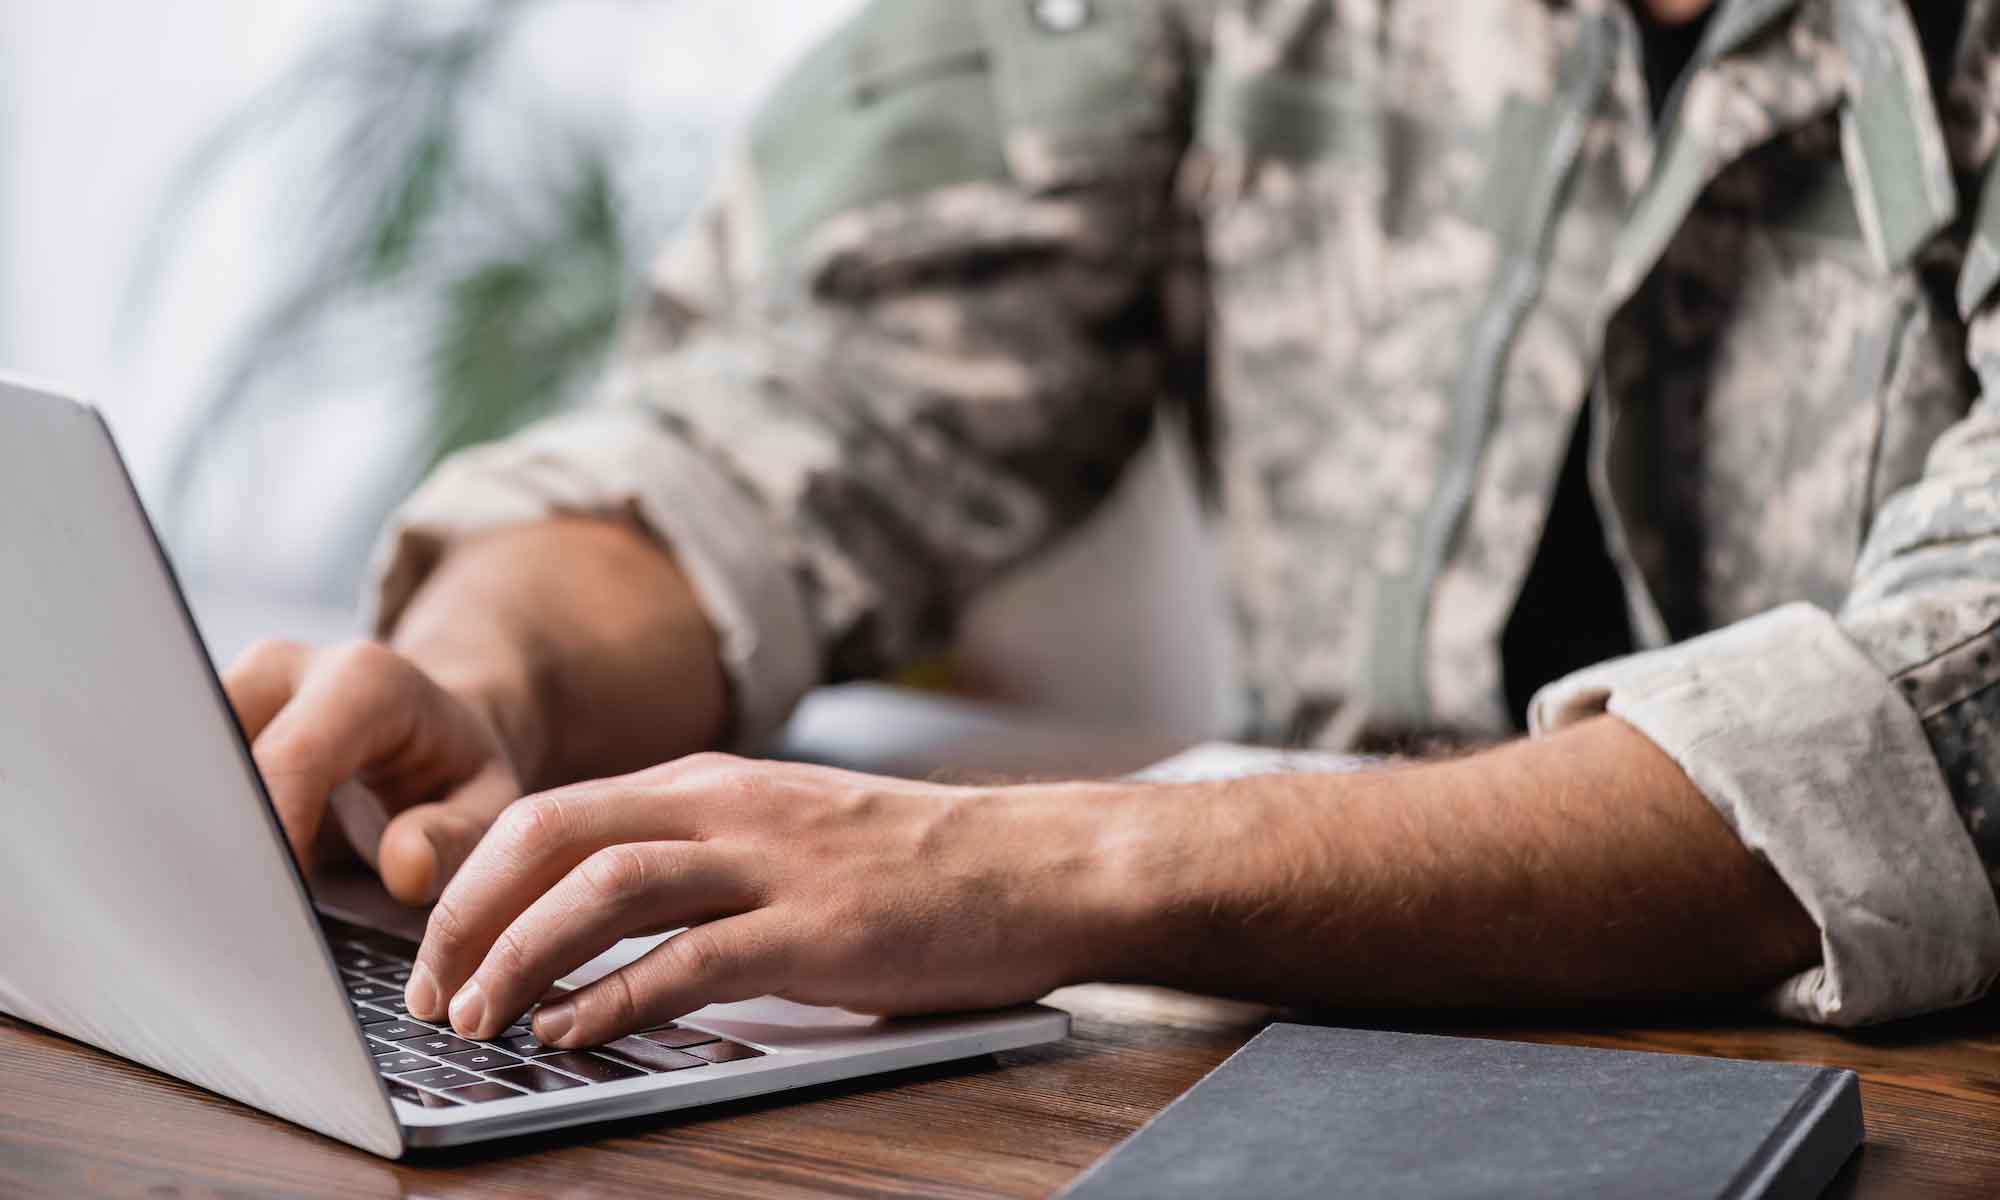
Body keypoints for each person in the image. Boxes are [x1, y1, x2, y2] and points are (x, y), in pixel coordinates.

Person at [226, 0, 2000, 1053]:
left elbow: (1952, 708)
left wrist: (1041, 873)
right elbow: (817, 396)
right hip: (1285, 1084)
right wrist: (491, 673)